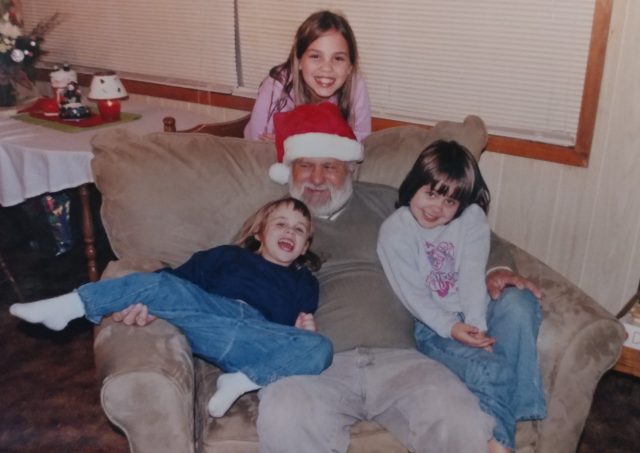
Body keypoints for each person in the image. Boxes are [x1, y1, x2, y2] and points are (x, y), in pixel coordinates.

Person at [115, 103, 543, 453]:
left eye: (329, 167)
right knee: (285, 414)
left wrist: (498, 269)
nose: (316, 179)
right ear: (289, 171)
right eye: (305, 166)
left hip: (405, 359)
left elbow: (468, 233)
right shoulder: (273, 221)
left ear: (350, 169)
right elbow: (213, 278)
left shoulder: (391, 204)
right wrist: (154, 301)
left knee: (460, 419)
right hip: (313, 366)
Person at [9, 197, 333, 418]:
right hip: (211, 315)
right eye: (281, 223)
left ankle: (242, 381)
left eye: (299, 229)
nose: (290, 231)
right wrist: (138, 302)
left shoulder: (305, 282)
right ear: (259, 232)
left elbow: (293, 334)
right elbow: (173, 283)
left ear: (305, 246)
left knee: (319, 348)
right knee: (160, 284)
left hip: (256, 338)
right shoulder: (226, 256)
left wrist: (302, 331)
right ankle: (73, 303)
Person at [377, 140, 546, 453]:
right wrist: (452, 328)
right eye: (430, 193)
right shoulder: (395, 230)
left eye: (450, 203)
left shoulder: (471, 220)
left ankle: (518, 410)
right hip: (430, 325)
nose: (436, 209)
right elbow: (413, 295)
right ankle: (502, 447)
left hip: (472, 310)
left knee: (520, 301)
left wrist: (476, 325)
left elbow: (471, 276)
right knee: (490, 369)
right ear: (413, 185)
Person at [243, 9, 371, 142]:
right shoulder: (278, 84)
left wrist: (291, 143)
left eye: (338, 58)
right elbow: (258, 145)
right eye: (315, 56)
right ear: (299, 61)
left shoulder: (355, 86)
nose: (327, 68)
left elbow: (361, 144)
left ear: (350, 67)